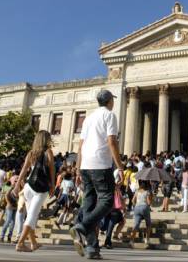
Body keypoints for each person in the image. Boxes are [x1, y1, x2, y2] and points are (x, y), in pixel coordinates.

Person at [70, 89, 124, 260]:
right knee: (108, 201)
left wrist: (78, 169)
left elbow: (80, 146)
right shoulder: (109, 115)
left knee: (89, 205)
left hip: (86, 165)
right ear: (109, 101)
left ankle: (92, 249)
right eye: (112, 100)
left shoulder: (88, 118)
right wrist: (120, 166)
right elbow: (111, 141)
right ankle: (82, 227)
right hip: (100, 164)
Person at [13, 130, 55, 252]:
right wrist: (52, 185)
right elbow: (52, 170)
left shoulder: (31, 153)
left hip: (28, 187)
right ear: (45, 139)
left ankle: (33, 243)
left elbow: (24, 170)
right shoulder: (48, 152)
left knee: (31, 216)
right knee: (31, 216)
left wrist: (16, 186)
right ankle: (20, 243)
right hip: (40, 189)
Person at [130, 180, 152, 247]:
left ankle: (132, 240)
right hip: (144, 207)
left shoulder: (137, 191)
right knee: (148, 224)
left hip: (137, 207)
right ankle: (147, 239)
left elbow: (133, 200)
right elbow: (148, 203)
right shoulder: (147, 192)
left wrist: (135, 205)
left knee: (136, 224)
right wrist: (151, 199)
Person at [0, 175, 18, 243]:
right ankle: (2, 236)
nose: (16, 182)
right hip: (10, 207)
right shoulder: (11, 187)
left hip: (15, 207)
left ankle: (9, 237)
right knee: (8, 221)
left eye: (17, 181)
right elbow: (6, 195)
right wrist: (9, 203)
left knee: (13, 223)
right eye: (15, 181)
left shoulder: (19, 188)